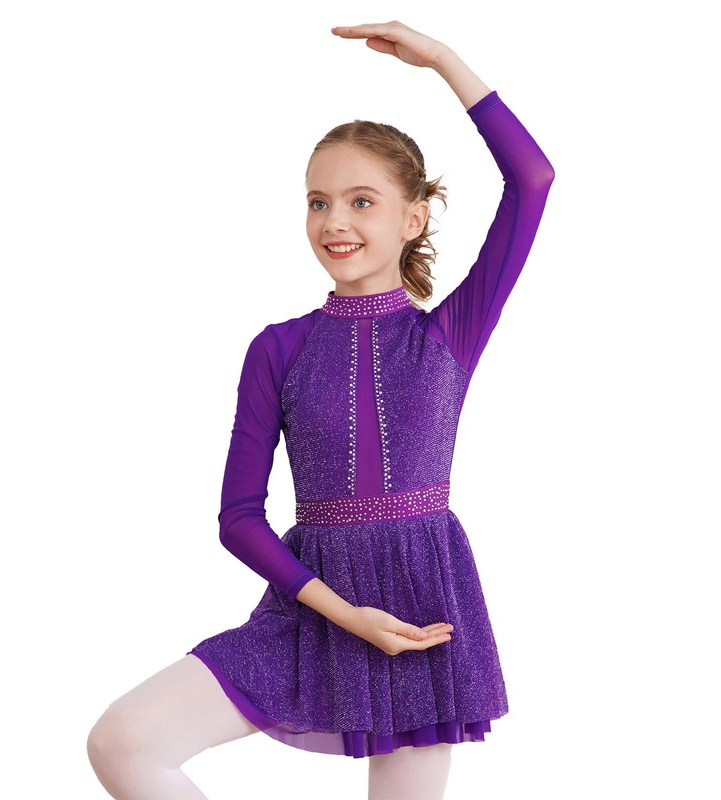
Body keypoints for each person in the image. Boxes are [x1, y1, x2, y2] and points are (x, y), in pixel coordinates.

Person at [87, 20, 554, 800]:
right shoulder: (278, 348)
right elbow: (239, 518)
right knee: (123, 741)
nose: (334, 221)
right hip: (308, 607)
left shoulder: (449, 335)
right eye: (318, 202)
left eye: (361, 201)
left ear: (412, 219)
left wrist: (442, 60)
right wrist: (342, 612)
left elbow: (532, 179)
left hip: (418, 608)